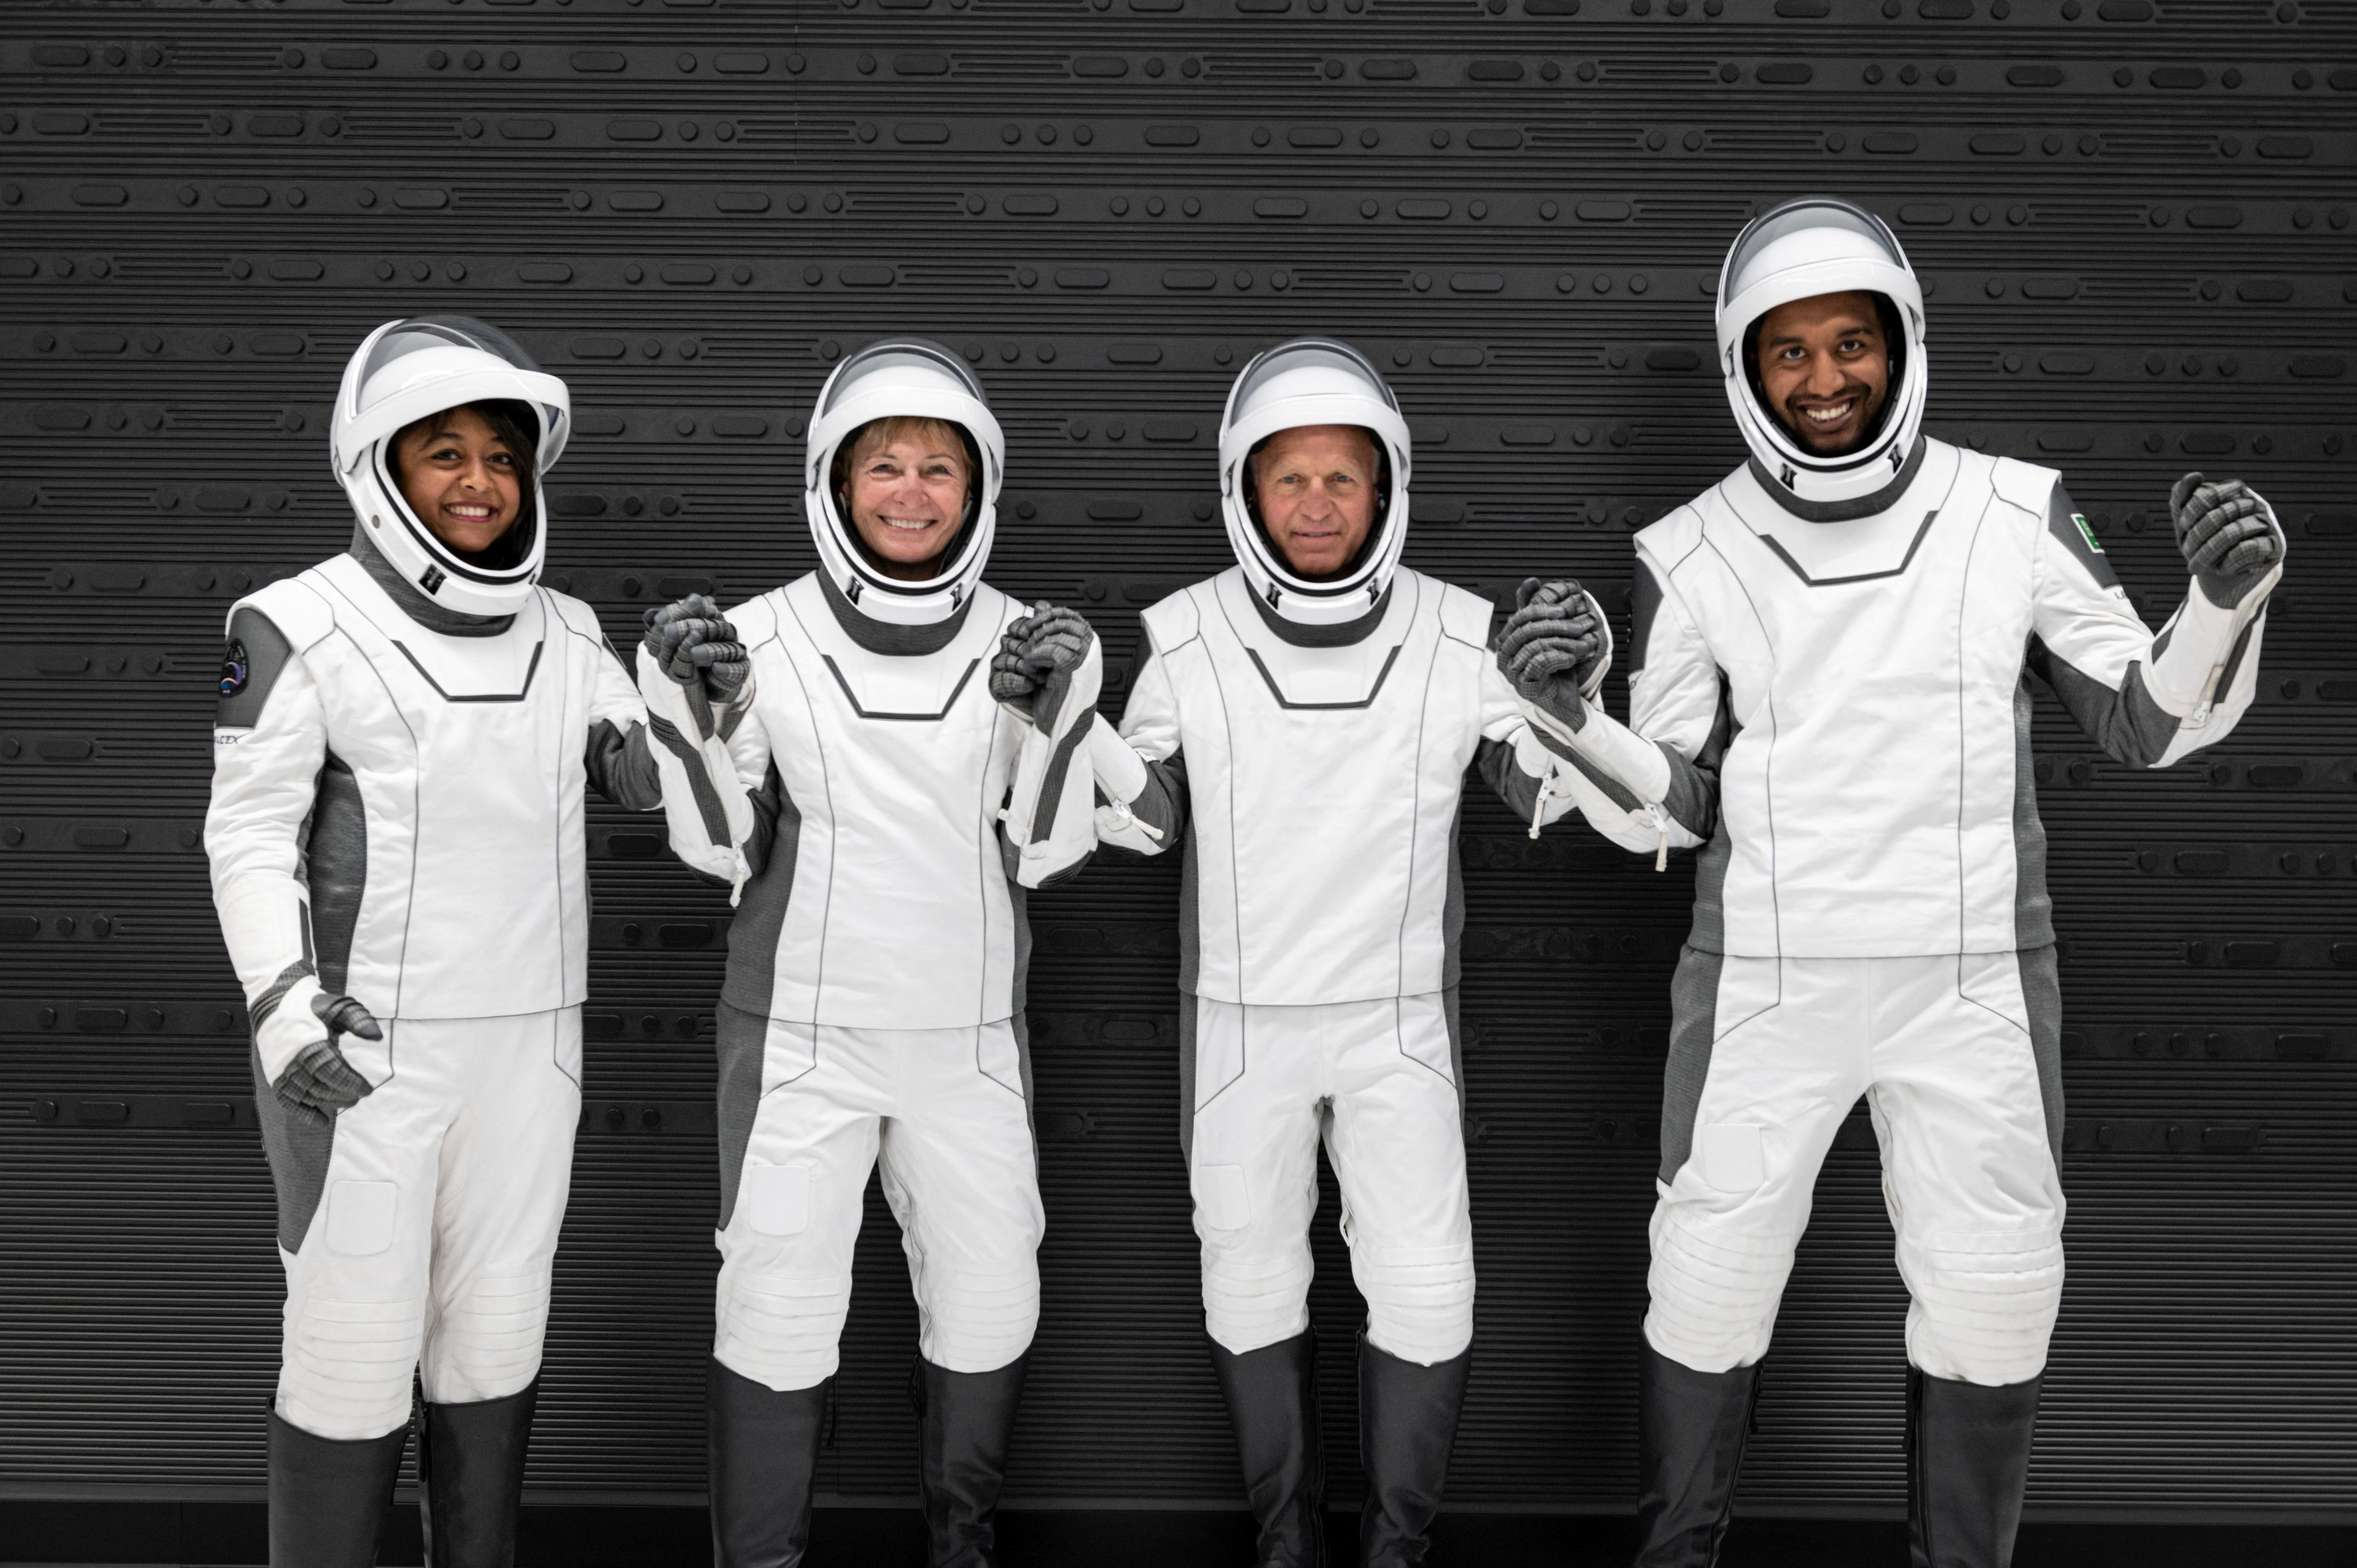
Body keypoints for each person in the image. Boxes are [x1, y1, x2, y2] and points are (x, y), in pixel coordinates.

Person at [1496, 197, 2286, 1568]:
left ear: (1900, 344)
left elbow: (2145, 722)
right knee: (1702, 1288)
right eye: (1786, 353)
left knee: (1992, 1298)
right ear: (1743, 369)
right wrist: (1571, 716)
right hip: (1762, 982)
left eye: (1848, 343)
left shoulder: (2010, 508)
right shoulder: (1689, 549)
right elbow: (1665, 811)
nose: (1822, 379)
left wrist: (2219, 604)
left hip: (1971, 975)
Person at [1031, 338, 1585, 1568]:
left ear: (1385, 487)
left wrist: (1571, 701)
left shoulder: (1458, 633)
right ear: (1244, 490)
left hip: (1400, 1028)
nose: (1319, 504)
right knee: (1247, 1287)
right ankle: (1286, 1546)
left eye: (1344, 477)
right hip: (1240, 1027)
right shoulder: (1180, 637)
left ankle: (1395, 1550)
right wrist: (1075, 722)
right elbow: (1141, 820)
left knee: (1429, 1295)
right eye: (1291, 479)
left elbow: (1549, 795)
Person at [204, 316, 722, 1566]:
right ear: (376, 466)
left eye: (501, 455)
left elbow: (647, 784)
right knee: (349, 1358)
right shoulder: (293, 623)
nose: (481, 481)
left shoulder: (568, 628)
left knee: (492, 1350)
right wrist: (282, 1006)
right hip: (364, 1057)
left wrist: (691, 696)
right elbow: (246, 834)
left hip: (530, 1059)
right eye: (445, 453)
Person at [639, 339, 1098, 1568]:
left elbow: (1053, 849)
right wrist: (686, 719)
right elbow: (720, 847)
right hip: (801, 1039)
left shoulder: (1029, 641)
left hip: (966, 1041)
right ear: (833, 484)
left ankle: (959, 1547)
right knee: (777, 1315)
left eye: (937, 467)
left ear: (977, 487)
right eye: (883, 465)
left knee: (994, 1298)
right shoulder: (754, 638)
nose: (910, 490)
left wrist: (1060, 722)